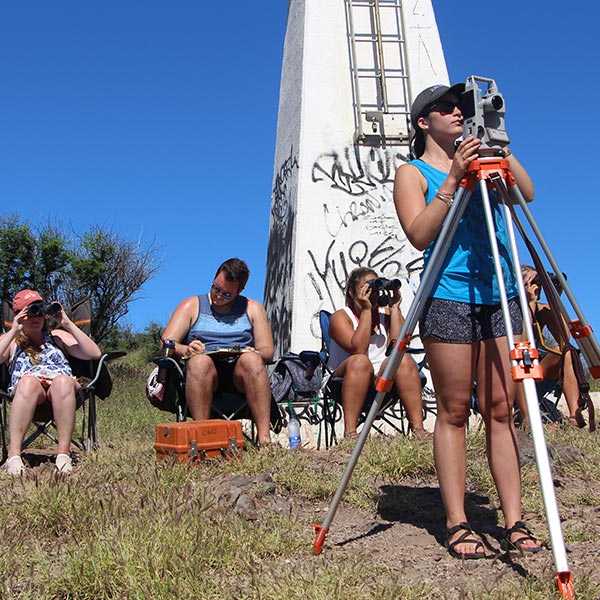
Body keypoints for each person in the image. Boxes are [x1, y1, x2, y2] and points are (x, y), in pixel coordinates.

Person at [393, 83, 541, 558]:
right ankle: (457, 521)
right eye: (445, 107)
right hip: (449, 294)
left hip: (500, 293)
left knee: (502, 408)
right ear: (423, 122)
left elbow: (527, 194)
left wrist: (499, 147)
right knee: (455, 411)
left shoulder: (486, 159)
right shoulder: (412, 173)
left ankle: (514, 520)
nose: (457, 112)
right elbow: (418, 234)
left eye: (461, 105)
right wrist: (455, 177)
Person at [161, 258, 274, 445]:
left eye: (226, 294)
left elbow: (268, 351)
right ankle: (203, 438)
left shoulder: (253, 309)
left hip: (240, 376)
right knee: (199, 362)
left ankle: (264, 439)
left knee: (253, 360)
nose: (218, 296)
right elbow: (166, 342)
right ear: (213, 279)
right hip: (203, 375)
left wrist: (249, 351)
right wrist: (185, 349)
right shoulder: (192, 305)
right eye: (215, 288)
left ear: (239, 291)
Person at [0, 289, 102, 475]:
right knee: (29, 382)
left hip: (62, 391)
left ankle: (63, 455)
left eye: (39, 310)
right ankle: (13, 457)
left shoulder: (58, 336)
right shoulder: (12, 341)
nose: (36, 316)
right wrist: (14, 329)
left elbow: (94, 353)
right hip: (29, 393)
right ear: (18, 315)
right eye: (29, 311)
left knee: (62, 381)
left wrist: (68, 324)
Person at [327, 267, 430, 440]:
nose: (372, 293)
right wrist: (366, 310)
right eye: (367, 287)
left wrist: (395, 307)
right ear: (352, 292)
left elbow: (399, 346)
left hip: (382, 381)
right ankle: (350, 433)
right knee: (360, 361)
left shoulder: (385, 316)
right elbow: (358, 349)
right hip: (345, 379)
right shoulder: (340, 317)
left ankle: (418, 430)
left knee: (402, 359)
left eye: (375, 288)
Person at [520, 265, 588, 428]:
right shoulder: (509, 307)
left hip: (537, 370)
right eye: (532, 281)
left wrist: (553, 299)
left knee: (567, 352)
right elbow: (522, 345)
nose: (535, 285)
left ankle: (574, 417)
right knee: (523, 353)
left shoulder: (542, 309)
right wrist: (528, 302)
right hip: (515, 370)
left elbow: (565, 339)